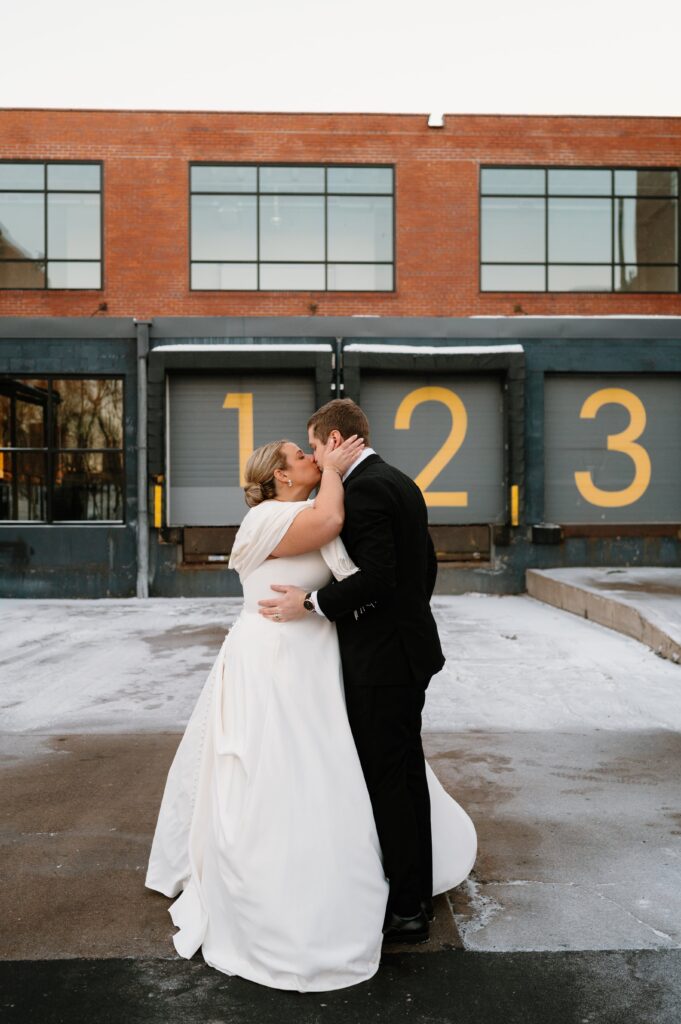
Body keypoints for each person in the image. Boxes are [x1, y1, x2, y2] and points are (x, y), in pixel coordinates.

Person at [145, 428, 477, 992]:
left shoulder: (307, 506)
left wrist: (332, 473)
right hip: (275, 661)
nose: (313, 458)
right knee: (286, 770)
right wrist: (335, 468)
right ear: (279, 473)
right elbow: (329, 523)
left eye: (315, 448)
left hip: (318, 657)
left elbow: (370, 558)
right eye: (303, 455)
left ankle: (394, 882)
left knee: (343, 766)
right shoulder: (269, 517)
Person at [258, 399, 453, 943]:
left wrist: (313, 605)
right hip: (409, 649)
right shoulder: (400, 481)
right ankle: (417, 886)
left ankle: (408, 908)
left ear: (337, 439)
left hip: (384, 659)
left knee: (388, 781)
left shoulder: (365, 488)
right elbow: (424, 567)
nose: (316, 459)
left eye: (316, 446)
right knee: (407, 775)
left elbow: (381, 576)